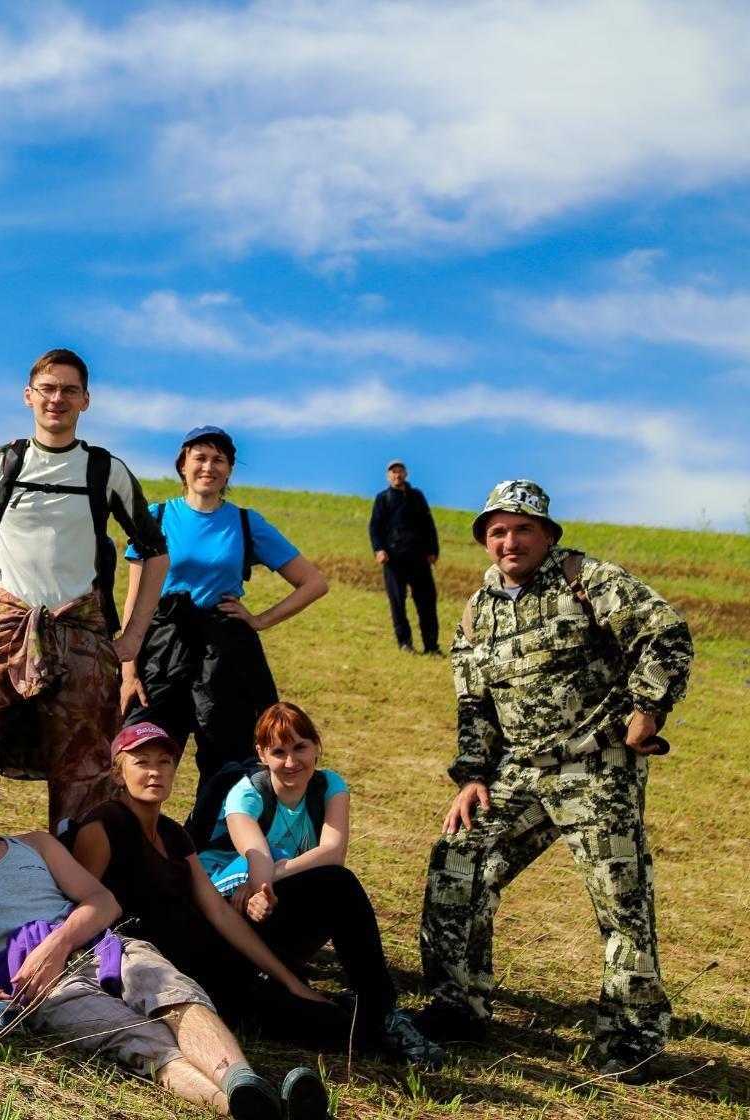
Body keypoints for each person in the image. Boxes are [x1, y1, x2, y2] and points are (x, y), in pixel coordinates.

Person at [417, 481, 693, 1081]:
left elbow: (665, 631)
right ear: (485, 541)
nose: (509, 541)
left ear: (547, 534)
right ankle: (457, 1006)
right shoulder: (475, 612)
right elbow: (475, 706)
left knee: (621, 898)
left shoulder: (587, 580)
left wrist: (648, 705)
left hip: (596, 764)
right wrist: (471, 776)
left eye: (522, 529)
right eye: (497, 531)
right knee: (459, 858)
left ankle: (632, 1037)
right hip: (517, 772)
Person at [0, 737, 326, 1120]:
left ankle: (242, 1081)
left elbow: (104, 901)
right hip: (34, 984)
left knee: (177, 997)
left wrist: (58, 943)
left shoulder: (37, 845)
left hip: (102, 946)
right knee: (135, 1038)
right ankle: (243, 1107)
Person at [0, 349, 169, 859]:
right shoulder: (2, 464)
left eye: (69, 390)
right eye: (47, 388)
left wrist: (132, 637)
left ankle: (84, 906)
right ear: (29, 396)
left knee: (86, 778)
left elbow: (154, 551)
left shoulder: (105, 470)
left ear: (85, 400)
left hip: (83, 636)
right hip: (7, 630)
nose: (57, 399)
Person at [190, 704, 442, 1065]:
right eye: (279, 752)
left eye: (300, 748)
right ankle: (364, 1014)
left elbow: (332, 852)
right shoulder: (245, 795)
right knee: (333, 887)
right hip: (228, 926)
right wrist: (257, 889)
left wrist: (262, 884)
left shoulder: (328, 786)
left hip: (267, 902)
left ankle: (380, 1012)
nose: (291, 762)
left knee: (336, 884)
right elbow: (255, 851)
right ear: (261, 754)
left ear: (316, 747)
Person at [120, 425, 328, 787]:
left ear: (229, 470)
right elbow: (134, 598)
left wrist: (260, 620)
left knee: (231, 762)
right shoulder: (154, 517)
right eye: (199, 457)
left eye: (219, 459)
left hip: (224, 651)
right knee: (142, 752)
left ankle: (217, 840)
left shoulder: (246, 522)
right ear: (182, 464)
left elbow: (313, 583)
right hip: (160, 648)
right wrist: (127, 672)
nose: (208, 466)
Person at [368, 459, 441, 654]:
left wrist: (433, 550)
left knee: (426, 602)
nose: (397, 475)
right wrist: (379, 550)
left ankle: (432, 645)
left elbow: (428, 524)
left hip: (419, 558)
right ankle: (405, 643)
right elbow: (375, 527)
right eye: (393, 472)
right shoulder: (383, 499)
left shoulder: (416, 496)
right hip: (394, 559)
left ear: (406, 474)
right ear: (388, 476)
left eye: (400, 471)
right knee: (397, 602)